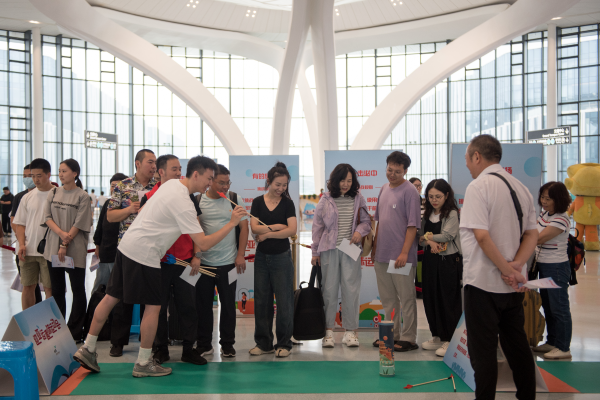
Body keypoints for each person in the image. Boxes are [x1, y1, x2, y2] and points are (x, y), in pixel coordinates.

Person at [73, 156, 247, 378]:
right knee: (153, 308)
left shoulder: (172, 185)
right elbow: (203, 243)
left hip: (127, 247)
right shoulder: (184, 202)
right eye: (209, 178)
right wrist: (232, 223)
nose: (210, 184)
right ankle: (143, 362)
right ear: (196, 175)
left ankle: (87, 348)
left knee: (110, 298)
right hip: (145, 254)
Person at [460, 134, 538, 400]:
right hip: (512, 287)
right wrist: (517, 266)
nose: (467, 165)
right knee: (517, 347)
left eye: (467, 159)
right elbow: (532, 234)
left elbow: (482, 237)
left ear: (477, 156)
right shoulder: (521, 187)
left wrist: (507, 270)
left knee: (482, 353)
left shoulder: (479, 187)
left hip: (483, 283)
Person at [140, 155, 204, 365]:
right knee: (157, 308)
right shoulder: (149, 196)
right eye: (174, 169)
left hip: (185, 261)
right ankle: (160, 349)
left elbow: (196, 226)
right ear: (161, 172)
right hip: (158, 263)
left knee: (189, 306)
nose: (179, 173)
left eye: (180, 169)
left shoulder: (188, 196)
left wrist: (197, 255)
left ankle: (189, 349)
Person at [104, 149, 157, 357]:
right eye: (150, 162)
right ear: (138, 163)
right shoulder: (122, 186)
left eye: (155, 163)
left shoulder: (159, 186)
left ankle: (148, 343)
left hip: (152, 249)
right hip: (127, 249)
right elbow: (110, 216)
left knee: (149, 299)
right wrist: (129, 210)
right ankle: (118, 342)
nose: (154, 166)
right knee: (122, 297)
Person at [311, 163, 371, 348]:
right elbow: (317, 227)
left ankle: (350, 332)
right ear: (335, 181)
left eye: (349, 180)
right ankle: (328, 331)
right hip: (329, 249)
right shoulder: (326, 199)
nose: (346, 184)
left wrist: (359, 231)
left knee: (351, 290)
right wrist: (315, 252)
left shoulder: (358, 198)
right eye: (342, 180)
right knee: (328, 290)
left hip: (350, 249)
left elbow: (366, 222)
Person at [196, 164, 249, 358]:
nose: (226, 187)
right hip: (204, 264)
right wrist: (197, 257)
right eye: (221, 183)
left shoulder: (234, 199)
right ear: (210, 181)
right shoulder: (198, 200)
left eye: (228, 182)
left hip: (229, 263)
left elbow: (244, 228)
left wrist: (240, 254)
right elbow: (195, 231)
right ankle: (204, 344)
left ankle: (227, 344)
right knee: (203, 306)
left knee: (228, 305)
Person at [372, 151, 421, 352]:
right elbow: (379, 221)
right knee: (388, 299)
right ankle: (392, 334)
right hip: (382, 254)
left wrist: (404, 253)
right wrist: (375, 248)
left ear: (405, 171)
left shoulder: (410, 191)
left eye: (397, 172)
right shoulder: (384, 188)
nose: (392, 174)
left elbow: (412, 226)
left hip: (401, 257)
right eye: (390, 170)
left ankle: (409, 338)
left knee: (406, 298)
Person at [249, 162, 297, 358]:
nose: (281, 189)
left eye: (284, 185)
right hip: (262, 258)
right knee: (262, 301)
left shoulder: (288, 203)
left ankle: (284, 343)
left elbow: (291, 230)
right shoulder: (257, 202)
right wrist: (277, 227)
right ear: (268, 182)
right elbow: (254, 228)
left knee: (284, 301)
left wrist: (268, 234)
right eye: (278, 184)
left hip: (282, 257)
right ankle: (264, 343)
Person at [42, 159, 92, 342]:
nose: (61, 174)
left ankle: (75, 331)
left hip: (74, 249)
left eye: (64, 171)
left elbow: (80, 222)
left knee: (77, 289)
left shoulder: (83, 196)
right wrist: (62, 235)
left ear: (75, 173)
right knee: (56, 290)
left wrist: (65, 243)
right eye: (59, 171)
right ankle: (58, 330)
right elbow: (47, 217)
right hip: (53, 247)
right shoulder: (54, 192)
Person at [418, 179, 462, 357]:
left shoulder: (451, 213)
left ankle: (450, 339)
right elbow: (420, 237)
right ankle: (436, 335)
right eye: (430, 197)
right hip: (430, 260)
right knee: (430, 298)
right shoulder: (427, 213)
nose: (434, 200)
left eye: (438, 196)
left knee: (448, 299)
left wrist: (428, 238)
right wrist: (428, 241)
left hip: (447, 260)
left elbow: (448, 235)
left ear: (447, 195)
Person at [531, 181, 573, 360]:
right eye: (542, 197)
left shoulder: (561, 218)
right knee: (548, 305)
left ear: (559, 199)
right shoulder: (545, 214)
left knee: (559, 308)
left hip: (556, 267)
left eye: (548, 198)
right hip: (543, 265)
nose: (544, 201)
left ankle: (563, 347)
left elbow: (539, 238)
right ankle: (552, 341)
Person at [13, 159, 54, 310]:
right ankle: (28, 320)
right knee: (28, 286)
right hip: (28, 251)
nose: (35, 180)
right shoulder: (27, 197)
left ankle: (50, 320)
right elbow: (20, 224)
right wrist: (21, 244)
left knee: (49, 288)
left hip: (49, 251)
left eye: (39, 176)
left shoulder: (57, 195)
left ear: (48, 175)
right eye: (33, 176)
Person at [11, 164, 43, 304]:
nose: (28, 179)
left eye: (30, 175)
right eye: (25, 176)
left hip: (42, 248)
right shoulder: (20, 197)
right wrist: (22, 239)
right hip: (24, 247)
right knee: (29, 285)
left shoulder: (48, 194)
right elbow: (15, 221)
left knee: (49, 286)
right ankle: (32, 313)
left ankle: (46, 313)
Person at [92, 173, 128, 293]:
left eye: (118, 186)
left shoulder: (127, 206)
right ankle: (96, 305)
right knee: (100, 286)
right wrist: (97, 246)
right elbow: (100, 227)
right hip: (105, 252)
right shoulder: (108, 204)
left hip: (120, 253)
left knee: (117, 288)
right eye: (112, 186)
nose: (114, 189)